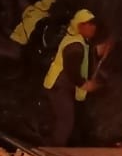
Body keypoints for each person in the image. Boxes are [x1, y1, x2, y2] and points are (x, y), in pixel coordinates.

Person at [43, 8, 103, 147]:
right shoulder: (75, 45)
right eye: (90, 24)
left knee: (65, 120)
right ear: (81, 25)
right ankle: (53, 155)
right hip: (59, 86)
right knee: (66, 121)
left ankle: (54, 150)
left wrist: (98, 51)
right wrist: (84, 84)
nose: (94, 27)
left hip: (61, 86)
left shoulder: (78, 39)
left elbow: (86, 58)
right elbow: (72, 69)